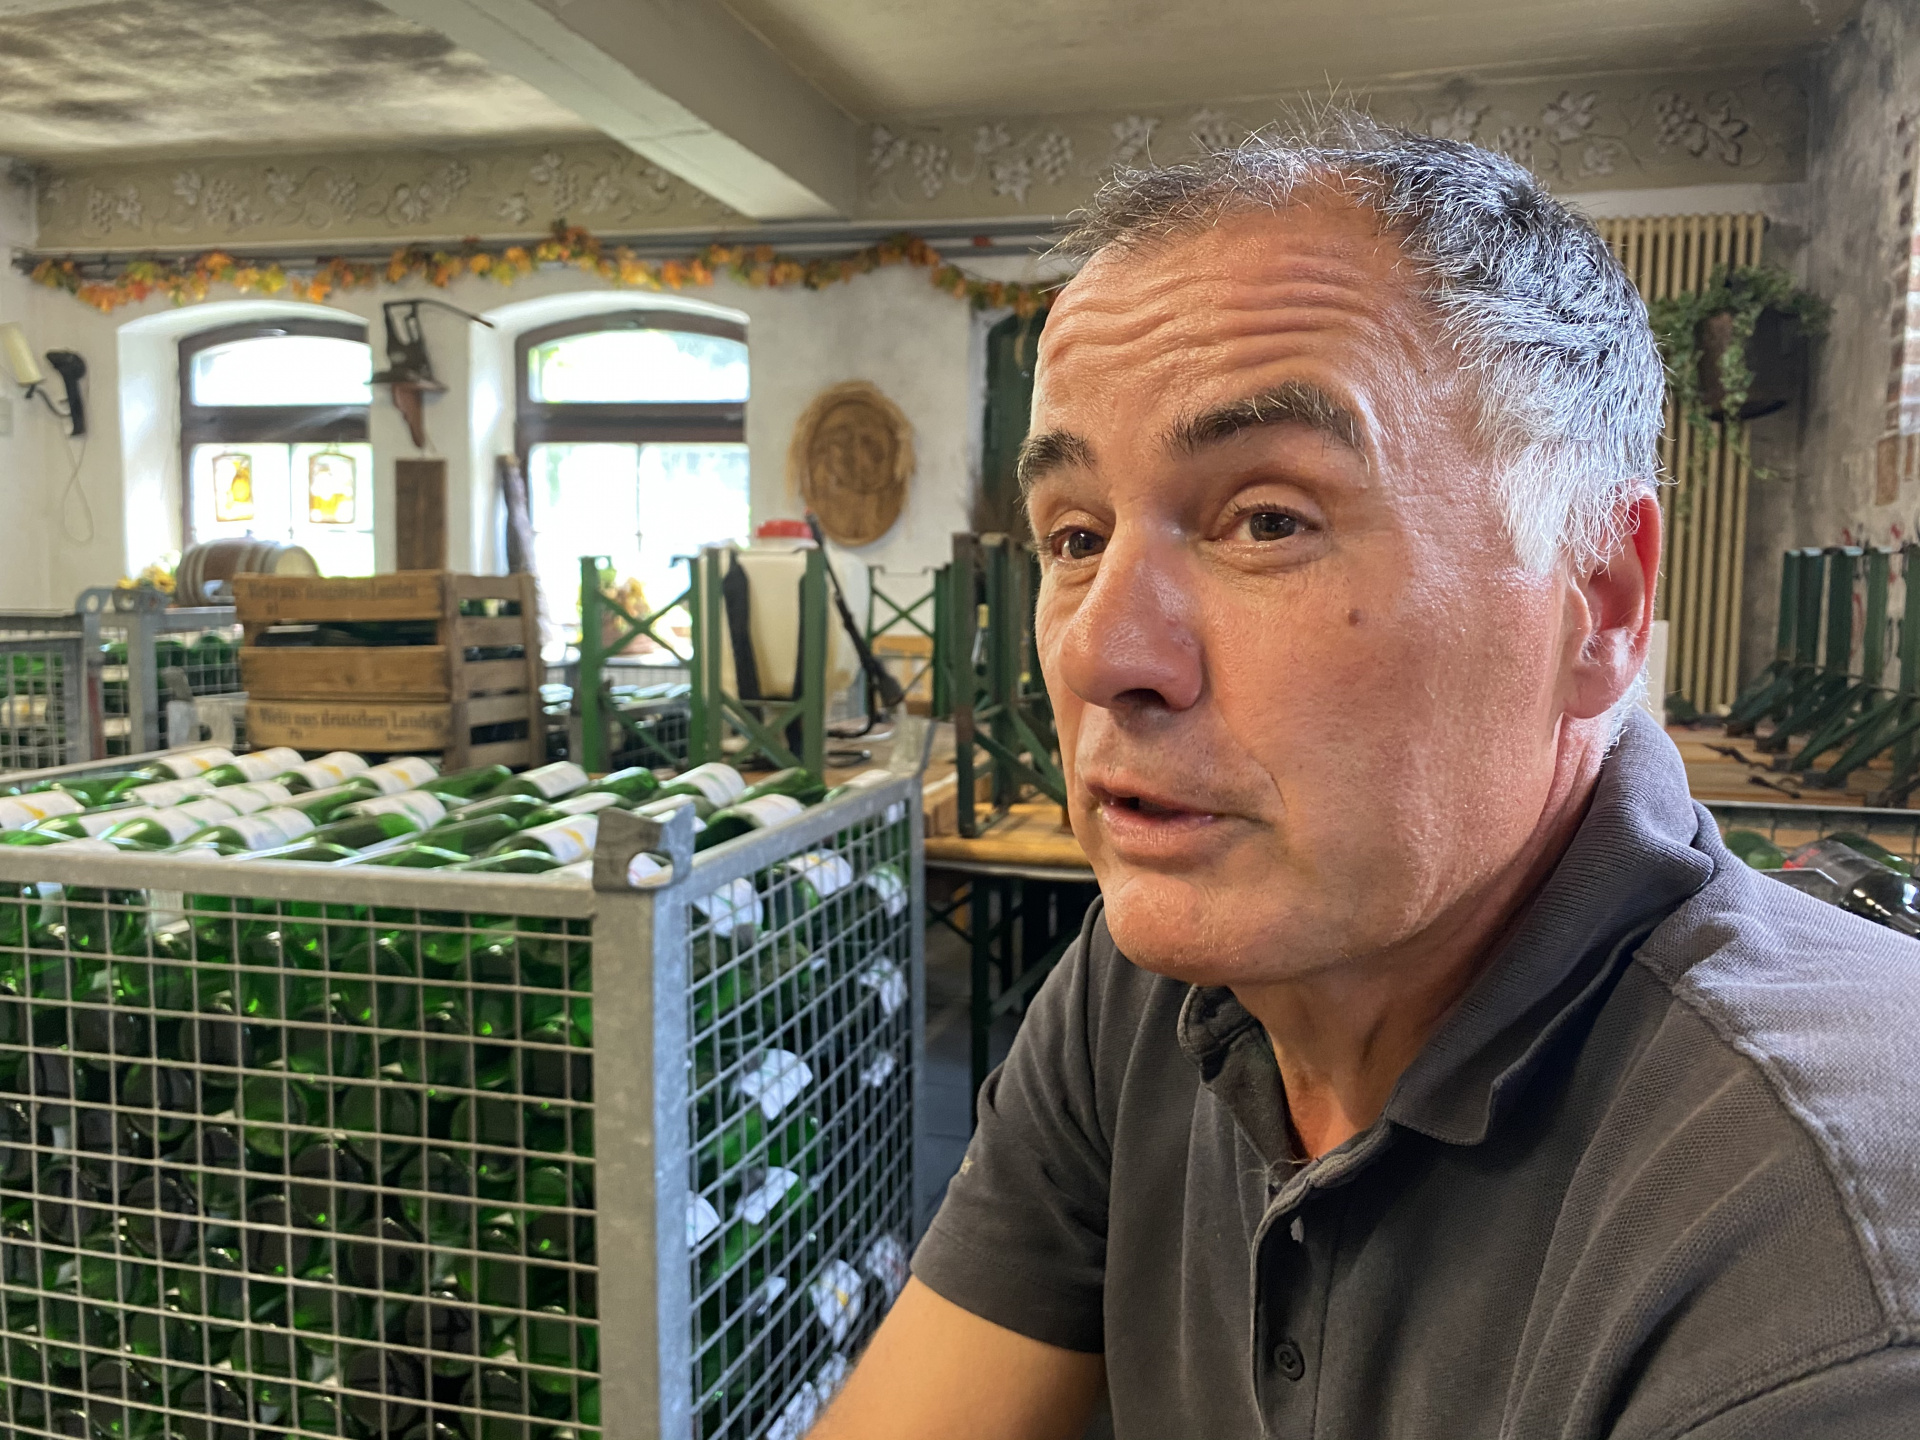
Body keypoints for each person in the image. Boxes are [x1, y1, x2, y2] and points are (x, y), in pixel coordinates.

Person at [814, 117, 1920, 1439]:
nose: (1101, 652)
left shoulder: (1829, 1254)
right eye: (1074, 536)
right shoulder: (1157, 986)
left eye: (1268, 519)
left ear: (1601, 600)